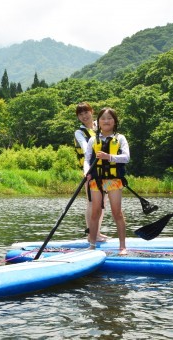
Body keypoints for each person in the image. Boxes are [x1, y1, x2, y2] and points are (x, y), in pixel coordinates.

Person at [85, 107, 130, 254]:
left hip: (113, 180)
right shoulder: (93, 140)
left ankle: (122, 247)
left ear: (115, 121)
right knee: (95, 212)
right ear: (98, 122)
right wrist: (87, 172)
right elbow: (87, 160)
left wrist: (109, 157)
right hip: (97, 180)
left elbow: (126, 157)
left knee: (117, 213)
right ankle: (92, 245)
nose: (106, 121)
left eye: (109, 118)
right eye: (103, 118)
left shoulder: (120, 138)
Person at [73, 102, 107, 241]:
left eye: (86, 112)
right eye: (80, 114)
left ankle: (97, 232)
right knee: (92, 202)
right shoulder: (79, 132)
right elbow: (85, 148)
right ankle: (91, 234)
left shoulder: (101, 126)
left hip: (104, 169)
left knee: (102, 203)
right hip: (90, 170)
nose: (84, 116)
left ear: (91, 112)